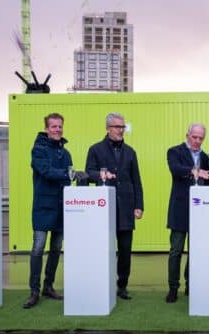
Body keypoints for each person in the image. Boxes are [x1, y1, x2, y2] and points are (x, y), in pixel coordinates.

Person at [23, 113, 88, 309]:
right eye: (54, 127)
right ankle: (34, 291)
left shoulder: (65, 153)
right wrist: (69, 174)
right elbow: (46, 171)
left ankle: (48, 286)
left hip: (62, 206)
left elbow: (67, 179)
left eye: (60, 126)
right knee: (38, 248)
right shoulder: (38, 150)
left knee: (56, 248)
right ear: (46, 129)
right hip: (43, 207)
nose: (58, 130)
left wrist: (74, 177)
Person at [84, 112, 144, 300]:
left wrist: (139, 205)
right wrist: (102, 175)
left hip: (126, 208)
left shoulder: (130, 152)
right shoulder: (95, 149)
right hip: (103, 208)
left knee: (125, 250)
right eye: (117, 127)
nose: (121, 130)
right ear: (108, 128)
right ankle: (102, 283)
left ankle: (122, 285)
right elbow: (88, 172)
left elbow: (137, 181)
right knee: (103, 248)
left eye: (122, 127)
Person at [165, 123, 209, 303]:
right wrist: (195, 171)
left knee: (196, 251)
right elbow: (176, 169)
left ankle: (191, 285)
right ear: (187, 135)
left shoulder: (206, 157)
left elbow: (208, 184)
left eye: (200, 138)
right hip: (179, 209)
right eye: (194, 137)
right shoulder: (174, 152)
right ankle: (172, 288)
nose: (197, 141)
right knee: (176, 250)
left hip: (200, 210)